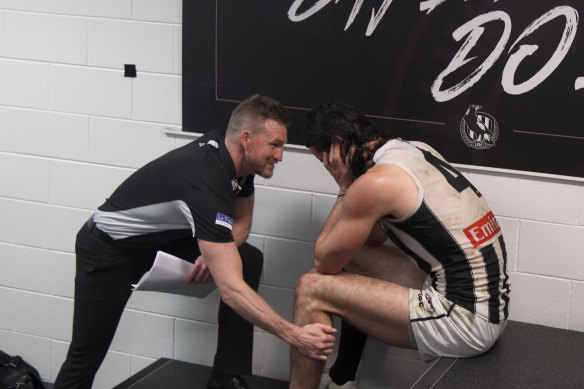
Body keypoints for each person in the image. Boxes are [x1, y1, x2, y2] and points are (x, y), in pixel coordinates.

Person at [54, 94, 337, 389]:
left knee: (248, 259)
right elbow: (232, 292)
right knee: (86, 353)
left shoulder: (238, 163)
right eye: (275, 145)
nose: (280, 156)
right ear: (246, 139)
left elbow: (242, 223)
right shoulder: (204, 179)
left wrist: (218, 253)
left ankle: (225, 377)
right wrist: (296, 336)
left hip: (158, 243)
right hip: (108, 249)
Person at [289, 102, 510, 389]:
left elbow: (324, 261)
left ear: (337, 146)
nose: (326, 167)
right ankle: (342, 379)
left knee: (309, 289)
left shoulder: (375, 182)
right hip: (489, 305)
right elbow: (375, 238)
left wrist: (345, 189)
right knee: (353, 255)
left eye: (324, 160)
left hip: (466, 320)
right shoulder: (413, 150)